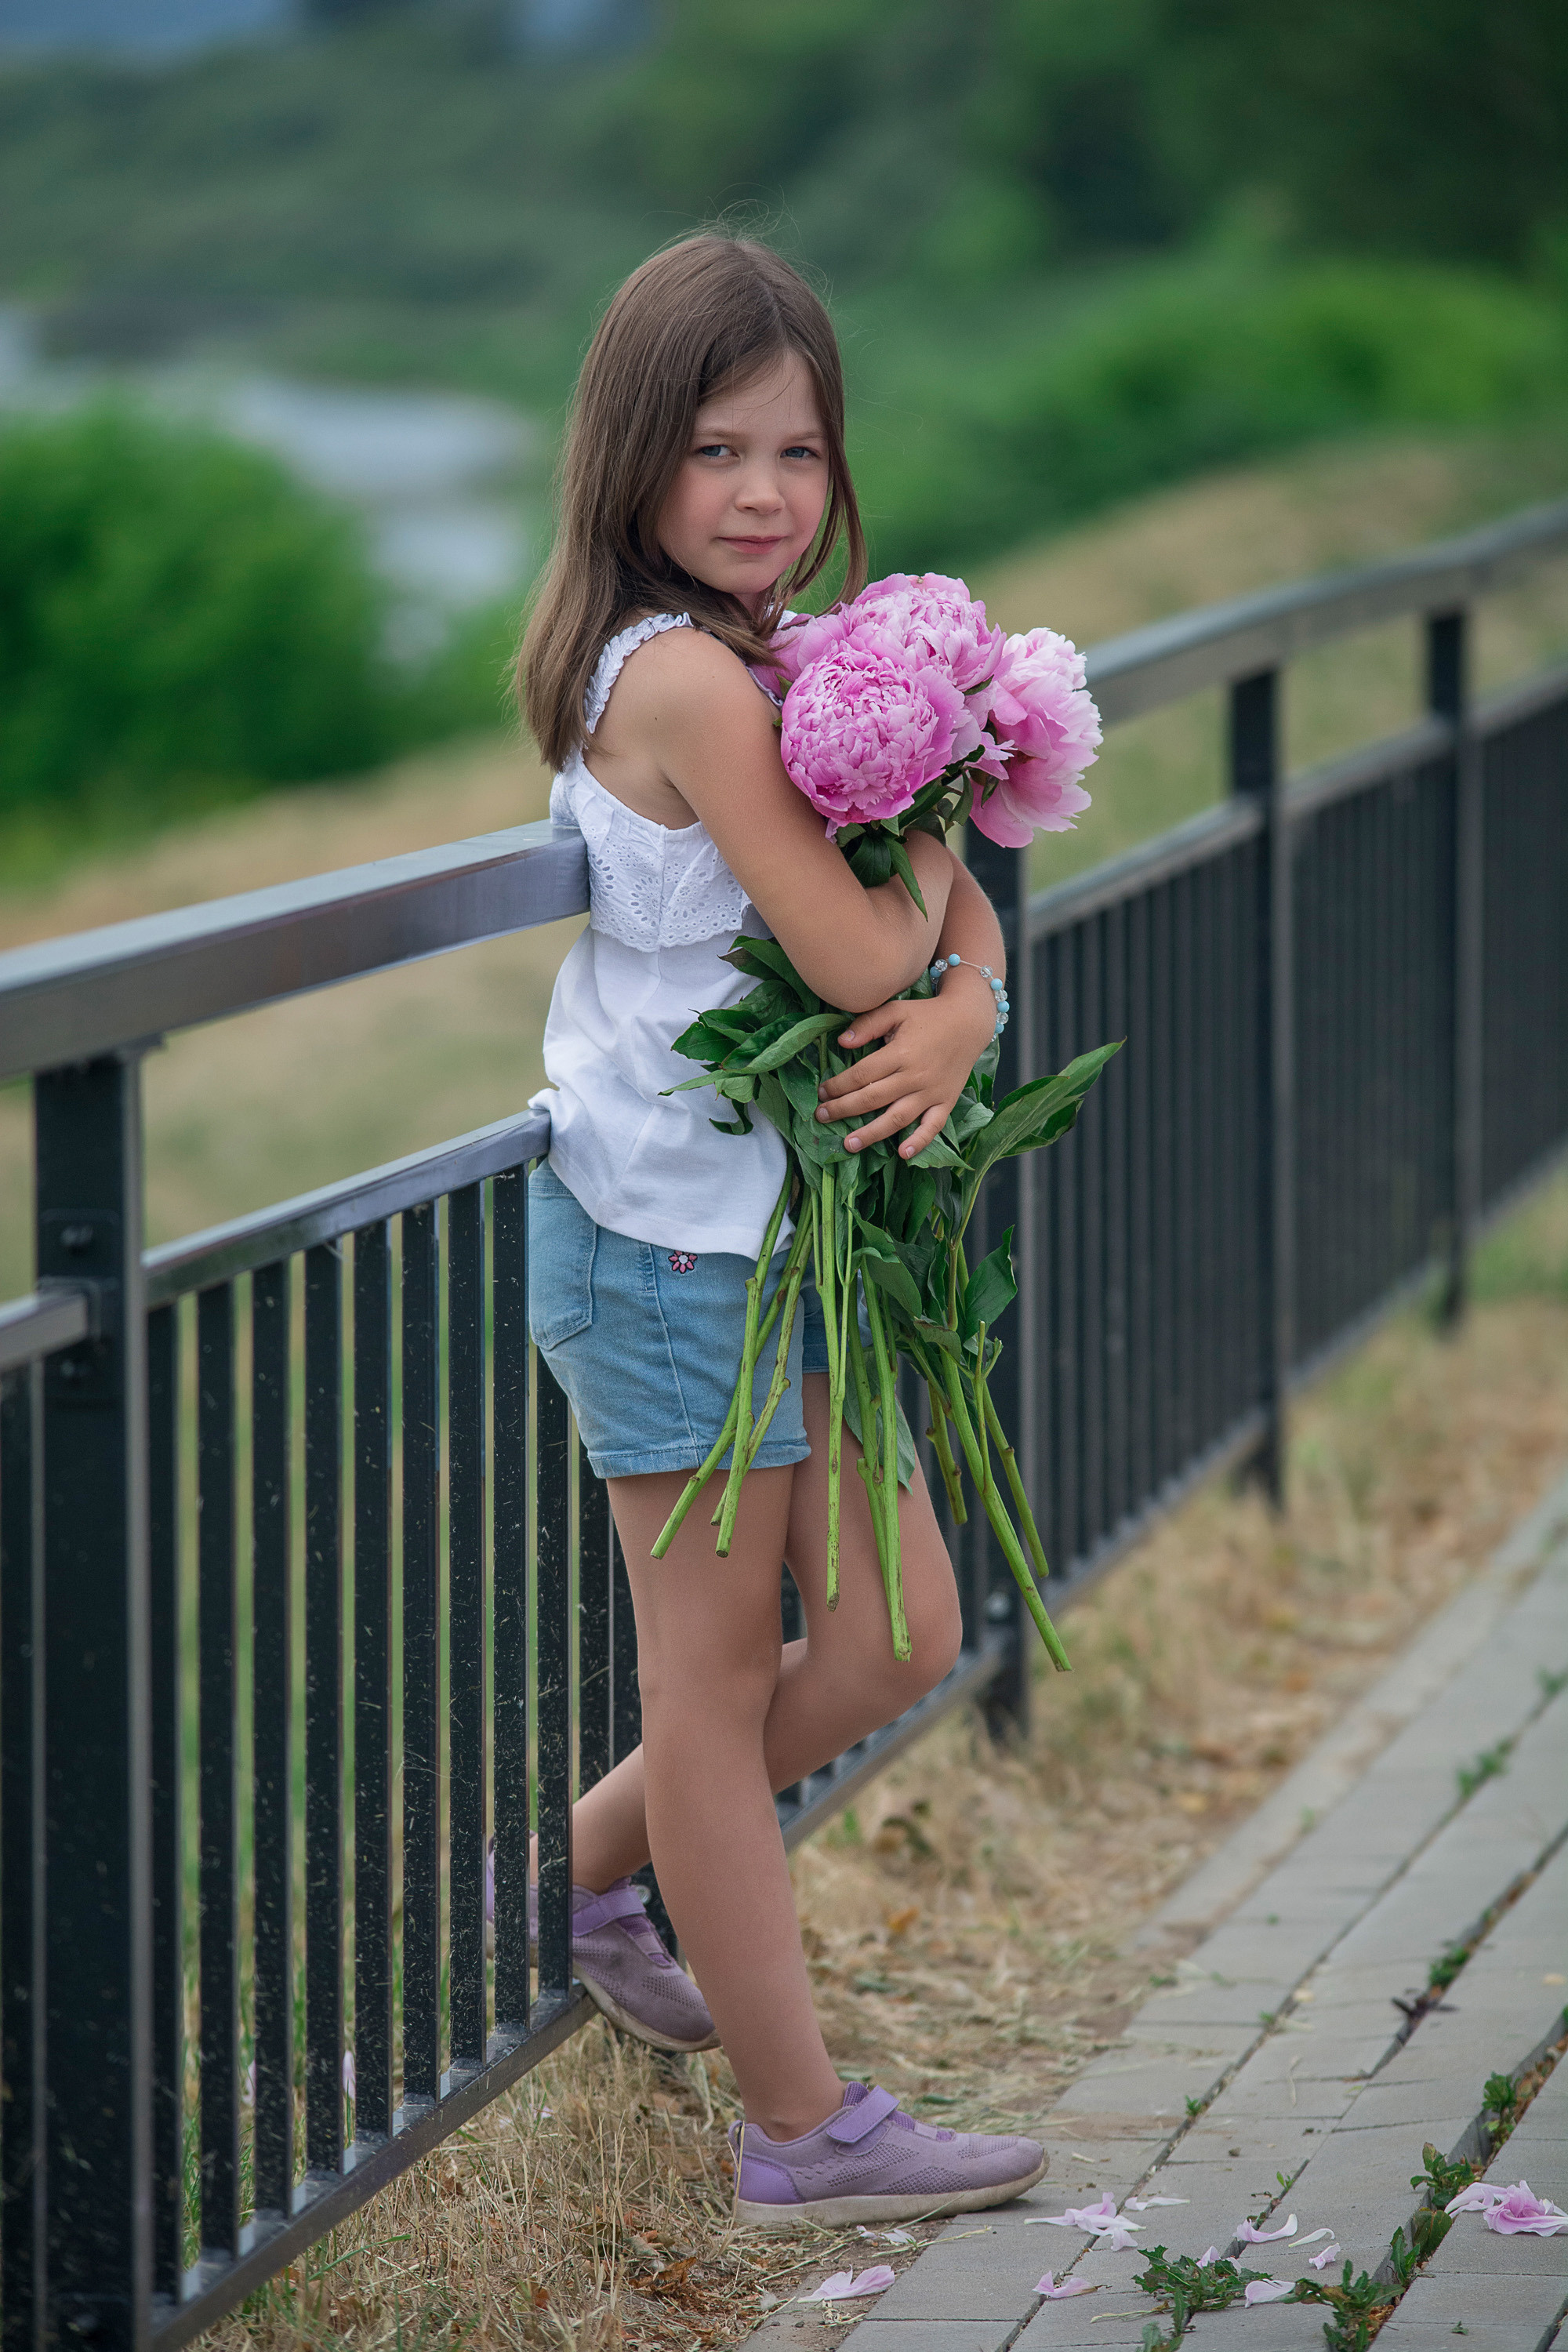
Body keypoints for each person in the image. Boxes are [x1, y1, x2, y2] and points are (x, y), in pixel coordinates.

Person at [519, 233, 1045, 2227]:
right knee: (714, 1684)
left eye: (799, 453)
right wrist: (943, 781)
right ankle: (802, 2130)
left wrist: (972, 989)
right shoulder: (679, 678)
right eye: (715, 449)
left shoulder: (765, 661)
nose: (762, 494)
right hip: (664, 1244)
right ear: (631, 457)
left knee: (900, 1630)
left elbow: (939, 935)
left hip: (772, 1234)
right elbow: (857, 948)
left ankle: (559, 1885)